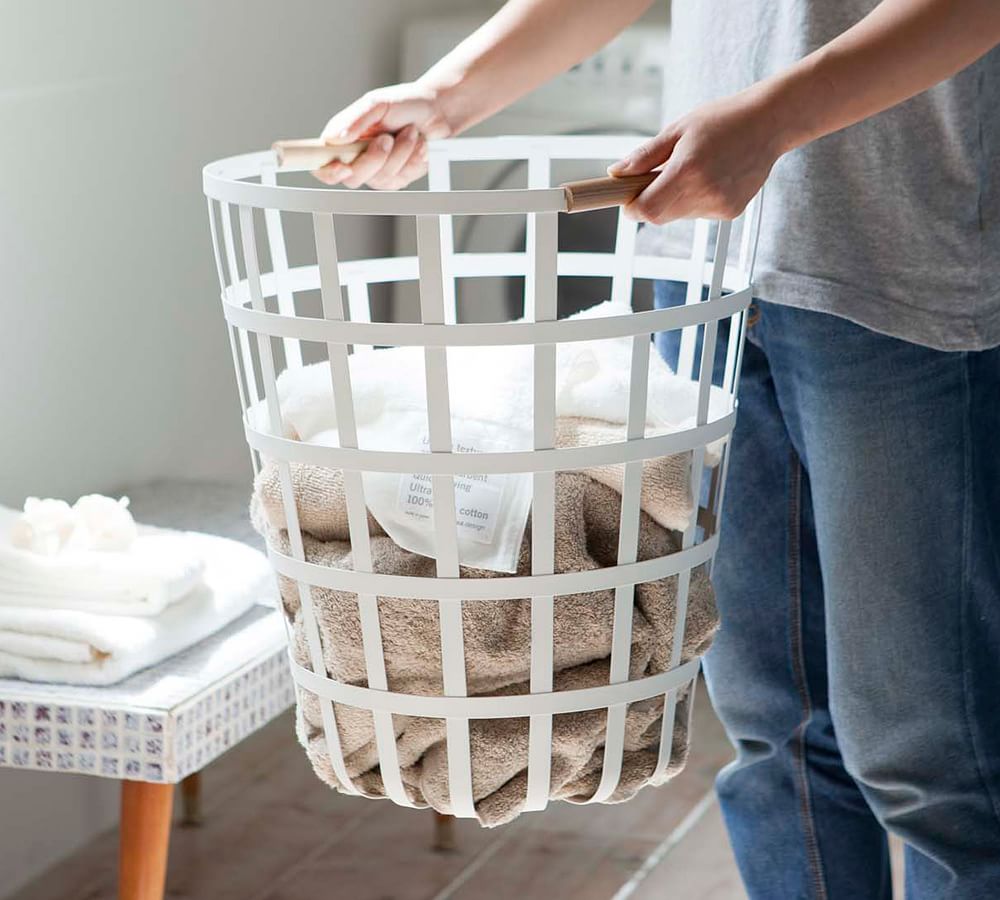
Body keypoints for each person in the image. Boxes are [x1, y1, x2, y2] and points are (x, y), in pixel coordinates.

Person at [314, 1, 1000, 896]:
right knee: (770, 730)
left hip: (899, 260)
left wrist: (771, 119)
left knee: (931, 754)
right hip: (705, 271)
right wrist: (446, 97)